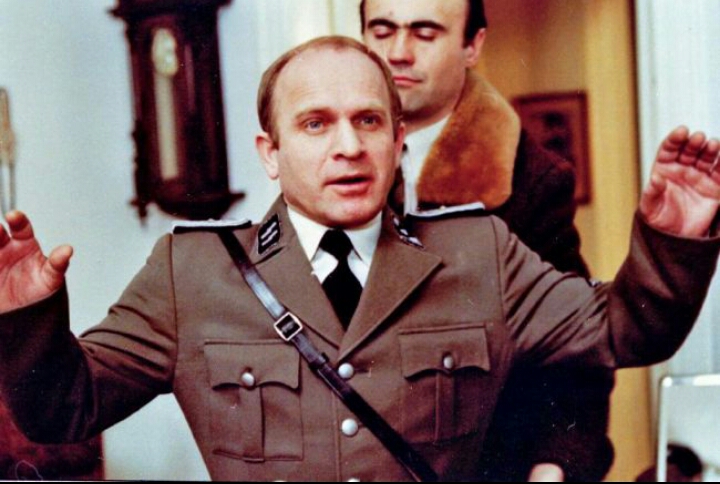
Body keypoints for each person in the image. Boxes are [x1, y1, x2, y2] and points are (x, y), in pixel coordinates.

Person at [0, 35, 719, 482]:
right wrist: (24, 316)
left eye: (368, 121)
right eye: (316, 124)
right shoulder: (190, 272)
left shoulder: (479, 254)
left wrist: (674, 240)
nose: (348, 146)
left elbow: (626, 330)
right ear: (271, 154)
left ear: (397, 141)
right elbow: (64, 409)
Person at [359, 0, 609, 480]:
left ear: (472, 45)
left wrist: (553, 467)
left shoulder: (530, 179)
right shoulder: (328, 158)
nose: (398, 52)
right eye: (382, 30)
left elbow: (573, 349)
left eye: (425, 33)